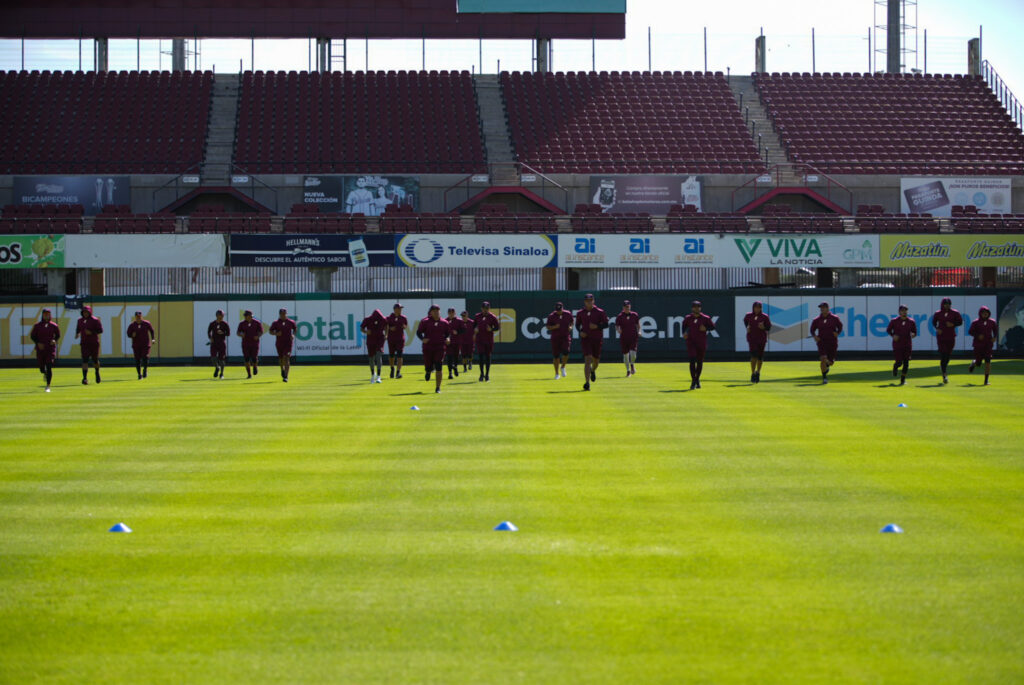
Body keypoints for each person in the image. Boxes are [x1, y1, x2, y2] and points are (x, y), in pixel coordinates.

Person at [575, 293, 609, 391]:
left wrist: (597, 326)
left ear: (593, 301)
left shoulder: (600, 312)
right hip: (586, 339)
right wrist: (580, 332)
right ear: (584, 302)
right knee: (588, 359)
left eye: (590, 300)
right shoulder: (580, 313)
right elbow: (577, 324)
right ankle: (587, 383)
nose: (589, 302)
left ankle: (593, 370)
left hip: (597, 339)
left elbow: (606, 324)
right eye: (587, 301)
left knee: (596, 361)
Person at [416, 304, 451, 393]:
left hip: (440, 347)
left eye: (437, 311)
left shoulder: (444, 322)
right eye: (434, 311)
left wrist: (448, 338)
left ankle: (438, 387)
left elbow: (448, 333)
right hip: (428, 347)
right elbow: (418, 332)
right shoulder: (425, 321)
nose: (436, 313)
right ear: (430, 312)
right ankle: (428, 371)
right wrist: (422, 339)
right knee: (428, 365)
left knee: (439, 366)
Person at [682, 300, 715, 390]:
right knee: (692, 360)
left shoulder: (705, 318)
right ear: (692, 308)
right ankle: (693, 381)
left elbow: (713, 327)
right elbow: (684, 326)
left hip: (701, 342)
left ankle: (697, 379)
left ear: (700, 308)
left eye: (698, 307)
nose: (696, 308)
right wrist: (684, 333)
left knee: (699, 362)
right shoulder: (688, 318)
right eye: (695, 307)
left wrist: (706, 328)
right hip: (691, 342)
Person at [931, 296, 963, 384]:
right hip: (941, 336)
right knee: (943, 354)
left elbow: (960, 322)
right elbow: (933, 322)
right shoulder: (938, 313)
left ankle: (943, 367)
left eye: (948, 304)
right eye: (945, 304)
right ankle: (944, 374)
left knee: (948, 355)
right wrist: (937, 328)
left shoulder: (955, 313)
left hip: (951, 336)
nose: (947, 305)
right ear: (942, 304)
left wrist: (953, 324)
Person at [810, 301, 843, 384]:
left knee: (830, 362)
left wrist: (838, 332)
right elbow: (812, 329)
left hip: (832, 342)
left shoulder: (834, 318)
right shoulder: (817, 320)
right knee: (823, 358)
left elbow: (840, 326)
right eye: (821, 308)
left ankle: (828, 365)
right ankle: (824, 377)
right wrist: (815, 336)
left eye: (823, 307)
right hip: (822, 342)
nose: (822, 309)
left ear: (828, 308)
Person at [30, 308, 60, 392]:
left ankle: (48, 386)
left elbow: (58, 335)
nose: (47, 316)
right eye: (45, 314)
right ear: (42, 315)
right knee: (41, 368)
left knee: (49, 365)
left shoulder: (54, 325)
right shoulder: (37, 325)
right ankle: (44, 372)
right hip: (41, 349)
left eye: (48, 314)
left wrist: (54, 340)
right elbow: (32, 336)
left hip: (50, 348)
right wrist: (38, 343)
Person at [886, 304, 917, 386]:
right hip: (897, 344)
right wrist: (893, 335)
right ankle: (895, 366)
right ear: (899, 312)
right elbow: (888, 330)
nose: (904, 312)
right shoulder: (894, 321)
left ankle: (903, 379)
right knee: (899, 362)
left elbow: (914, 332)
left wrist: (913, 334)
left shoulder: (911, 321)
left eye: (905, 310)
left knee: (906, 362)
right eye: (902, 310)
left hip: (907, 344)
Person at [743, 300, 772, 384]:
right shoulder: (748, 315)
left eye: (759, 307)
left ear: (761, 308)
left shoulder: (764, 316)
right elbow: (745, 321)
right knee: (753, 356)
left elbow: (769, 327)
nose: (757, 309)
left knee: (760, 357)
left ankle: (758, 372)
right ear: (753, 308)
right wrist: (747, 327)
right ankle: (752, 373)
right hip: (752, 339)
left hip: (761, 339)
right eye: (756, 307)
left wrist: (764, 328)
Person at [968, 305, 997, 385]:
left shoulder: (992, 322)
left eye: (986, 313)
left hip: (988, 345)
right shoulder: (975, 322)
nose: (985, 314)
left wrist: (994, 337)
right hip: (978, 345)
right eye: (983, 313)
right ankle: (974, 363)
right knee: (979, 363)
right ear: (980, 313)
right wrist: (978, 336)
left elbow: (995, 330)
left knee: (988, 361)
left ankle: (986, 380)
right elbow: (970, 331)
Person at [74, 304, 103, 385]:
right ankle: (85, 378)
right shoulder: (80, 320)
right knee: (85, 360)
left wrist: (91, 332)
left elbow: (100, 330)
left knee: (95, 360)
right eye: (84, 312)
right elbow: (78, 329)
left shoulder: (95, 320)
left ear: (90, 312)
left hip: (94, 343)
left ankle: (97, 372)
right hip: (84, 343)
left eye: (87, 312)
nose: (85, 313)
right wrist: (77, 333)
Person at [473, 301, 500, 382]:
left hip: (488, 340)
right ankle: (481, 374)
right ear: (481, 308)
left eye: (487, 308)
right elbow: (473, 326)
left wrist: (491, 329)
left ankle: (487, 375)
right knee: (481, 357)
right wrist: (475, 329)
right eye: (484, 308)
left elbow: (497, 327)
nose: (485, 310)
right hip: (480, 340)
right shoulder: (477, 316)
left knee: (488, 357)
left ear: (489, 308)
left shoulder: (492, 317)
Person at [545, 301, 574, 379]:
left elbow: (572, 322)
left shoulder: (568, 314)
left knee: (566, 352)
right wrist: (554, 327)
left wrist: (570, 327)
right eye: (557, 310)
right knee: (556, 356)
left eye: (560, 310)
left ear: (562, 308)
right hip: (555, 338)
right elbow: (547, 326)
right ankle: (557, 374)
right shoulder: (551, 316)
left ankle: (563, 367)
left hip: (565, 336)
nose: (559, 312)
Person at [269, 308, 297, 382]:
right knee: (281, 358)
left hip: (288, 343)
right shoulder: (276, 323)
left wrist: (293, 335)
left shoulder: (291, 322)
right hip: (279, 343)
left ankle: (286, 376)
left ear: (286, 314)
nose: (283, 315)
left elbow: (295, 329)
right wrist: (276, 333)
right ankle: (282, 369)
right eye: (281, 314)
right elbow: (270, 331)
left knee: (286, 358)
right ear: (279, 314)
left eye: (284, 313)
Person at [126, 310, 156, 380]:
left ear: (141, 316)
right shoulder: (132, 325)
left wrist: (153, 339)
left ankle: (145, 370)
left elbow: (151, 330)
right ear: (135, 317)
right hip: (136, 345)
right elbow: (128, 334)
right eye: (137, 317)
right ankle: (139, 374)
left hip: (145, 344)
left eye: (139, 316)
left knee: (145, 357)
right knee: (137, 360)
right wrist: (132, 335)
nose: (138, 318)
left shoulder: (146, 323)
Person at [361, 308, 388, 383]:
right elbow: (361, 328)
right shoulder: (367, 319)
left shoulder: (383, 319)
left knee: (378, 355)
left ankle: (379, 376)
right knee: (371, 358)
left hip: (380, 340)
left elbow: (386, 326)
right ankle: (373, 374)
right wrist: (366, 332)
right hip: (371, 341)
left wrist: (386, 334)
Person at [615, 300, 640, 377]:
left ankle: (632, 364)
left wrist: (639, 331)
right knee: (625, 355)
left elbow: (638, 325)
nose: (627, 308)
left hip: (633, 337)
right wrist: (618, 330)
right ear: (623, 307)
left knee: (633, 355)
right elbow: (616, 326)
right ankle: (628, 371)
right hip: (624, 338)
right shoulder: (620, 316)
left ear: (630, 306)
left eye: (628, 307)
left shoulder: (634, 315)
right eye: (626, 307)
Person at [236, 309, 263, 379]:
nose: (245, 317)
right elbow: (238, 332)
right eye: (245, 316)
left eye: (247, 315)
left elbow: (261, 331)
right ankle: (249, 374)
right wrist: (241, 335)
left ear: (251, 316)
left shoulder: (257, 323)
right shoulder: (242, 323)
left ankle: (255, 366)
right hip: (245, 343)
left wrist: (258, 336)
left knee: (254, 358)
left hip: (254, 343)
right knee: (246, 358)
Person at [386, 303, 408, 379]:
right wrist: (390, 328)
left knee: (399, 355)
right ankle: (392, 368)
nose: (400, 310)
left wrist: (404, 326)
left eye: (401, 309)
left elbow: (405, 326)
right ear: (395, 309)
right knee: (391, 356)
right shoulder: (389, 317)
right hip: (391, 339)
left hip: (400, 339)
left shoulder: (403, 317)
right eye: (399, 308)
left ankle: (398, 372)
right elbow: (385, 326)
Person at [207, 309, 230, 379]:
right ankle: (217, 367)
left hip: (222, 343)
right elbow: (209, 332)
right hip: (214, 343)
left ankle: (222, 374)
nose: (222, 316)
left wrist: (223, 333)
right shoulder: (212, 323)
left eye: (222, 315)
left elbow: (228, 333)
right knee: (213, 357)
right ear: (217, 315)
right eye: (220, 315)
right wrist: (210, 338)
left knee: (221, 359)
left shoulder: (225, 324)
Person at [444, 307, 465, 379]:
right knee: (449, 357)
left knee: (456, 357)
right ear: (448, 313)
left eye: (452, 312)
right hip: (448, 343)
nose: (451, 314)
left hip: (457, 342)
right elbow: (442, 331)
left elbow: (464, 329)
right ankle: (450, 373)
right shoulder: (445, 321)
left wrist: (458, 332)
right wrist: (445, 338)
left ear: (455, 313)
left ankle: (455, 367)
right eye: (449, 313)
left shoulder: (459, 321)